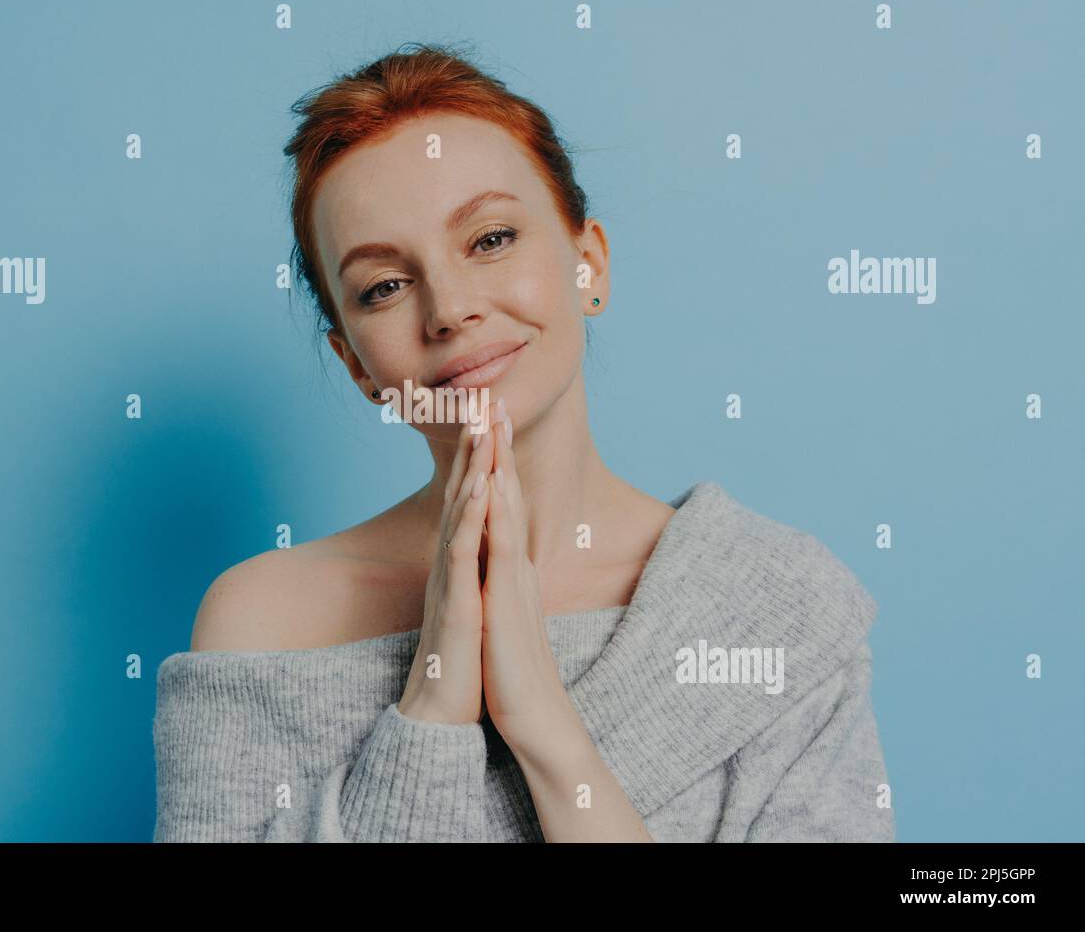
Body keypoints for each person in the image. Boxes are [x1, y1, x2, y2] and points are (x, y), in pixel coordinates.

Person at [153, 42, 895, 842]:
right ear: (357, 364)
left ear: (589, 266)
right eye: (385, 287)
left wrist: (541, 720)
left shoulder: (774, 608)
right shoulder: (261, 626)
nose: (450, 308)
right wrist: (433, 702)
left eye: (491, 239)